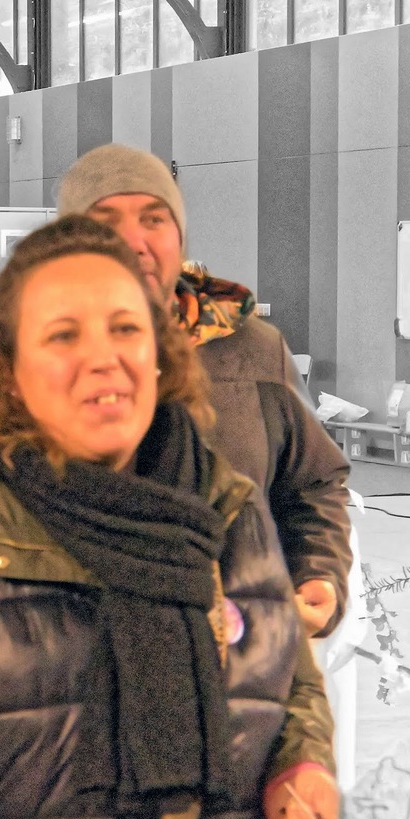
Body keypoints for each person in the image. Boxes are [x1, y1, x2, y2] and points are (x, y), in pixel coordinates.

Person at [0, 216, 337, 819]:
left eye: (126, 328)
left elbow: (292, 685)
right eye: (63, 335)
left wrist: (301, 766)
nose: (103, 359)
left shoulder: (229, 514)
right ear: (9, 373)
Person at [55, 144, 352, 637]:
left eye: (153, 219)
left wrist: (319, 572)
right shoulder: (24, 358)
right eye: (106, 221)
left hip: (239, 651)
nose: (135, 241)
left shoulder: (253, 350)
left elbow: (313, 484)